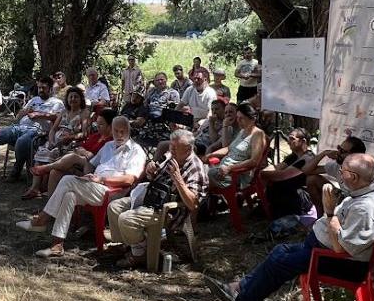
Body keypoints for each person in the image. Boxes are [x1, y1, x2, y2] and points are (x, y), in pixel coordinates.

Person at [206, 153, 374, 301]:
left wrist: (330, 212)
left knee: (280, 261)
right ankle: (239, 286)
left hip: (340, 261)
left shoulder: (366, 209)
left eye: (343, 173)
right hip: (325, 248)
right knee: (280, 250)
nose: (340, 175)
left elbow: (341, 248)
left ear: (355, 177)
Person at [15, 116, 147, 258]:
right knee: (69, 195)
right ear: (112, 131)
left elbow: (129, 179)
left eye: (123, 131)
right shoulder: (108, 146)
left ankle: (41, 220)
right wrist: (83, 161)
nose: (120, 135)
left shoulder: (136, 151)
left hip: (113, 191)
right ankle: (57, 244)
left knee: (67, 181)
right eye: (116, 131)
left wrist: (102, 179)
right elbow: (92, 164)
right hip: (95, 185)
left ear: (129, 130)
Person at [107, 129, 208, 269]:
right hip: (152, 197)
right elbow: (154, 178)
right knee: (114, 207)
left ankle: (139, 255)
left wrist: (178, 179)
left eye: (175, 148)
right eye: (171, 146)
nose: (170, 150)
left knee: (126, 219)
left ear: (188, 149)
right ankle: (132, 245)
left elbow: (193, 205)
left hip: (169, 209)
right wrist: (150, 171)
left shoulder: (195, 168)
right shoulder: (171, 156)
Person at [0, 76, 64, 181]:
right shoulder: (33, 100)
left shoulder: (57, 102)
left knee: (21, 142)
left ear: (50, 89)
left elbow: (58, 118)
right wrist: (23, 112)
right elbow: (18, 117)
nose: (41, 90)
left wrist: (40, 114)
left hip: (37, 131)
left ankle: (16, 170)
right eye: (39, 87)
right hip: (19, 127)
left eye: (44, 88)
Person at [23, 108, 117, 199]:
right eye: (97, 123)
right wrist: (82, 151)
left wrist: (82, 151)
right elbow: (80, 146)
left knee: (73, 157)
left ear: (110, 125)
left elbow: (93, 158)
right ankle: (49, 209)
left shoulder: (111, 142)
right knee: (55, 172)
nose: (97, 126)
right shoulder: (96, 136)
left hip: (90, 170)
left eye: (101, 124)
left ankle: (46, 167)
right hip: (77, 164)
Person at [204, 102, 266, 188]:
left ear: (252, 119)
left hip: (237, 175)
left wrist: (230, 168)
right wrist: (211, 154)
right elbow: (229, 148)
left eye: (242, 118)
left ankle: (211, 196)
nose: (238, 121)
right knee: (204, 169)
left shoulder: (258, 134)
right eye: (237, 118)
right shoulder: (243, 131)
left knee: (207, 174)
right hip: (224, 170)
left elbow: (254, 161)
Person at [260, 128, 316, 218]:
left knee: (277, 183)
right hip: (290, 191)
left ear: (303, 141)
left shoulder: (307, 158)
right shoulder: (294, 156)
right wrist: (264, 171)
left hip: (301, 197)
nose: (288, 142)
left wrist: (261, 174)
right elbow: (277, 167)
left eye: (292, 139)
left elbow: (281, 176)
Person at [32, 87, 90, 166]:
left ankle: (46, 175)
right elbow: (53, 129)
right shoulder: (64, 111)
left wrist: (69, 137)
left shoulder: (84, 113)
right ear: (67, 99)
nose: (73, 99)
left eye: (76, 97)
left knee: (47, 162)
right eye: (71, 97)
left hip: (70, 145)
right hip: (54, 143)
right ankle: (36, 176)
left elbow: (84, 134)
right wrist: (51, 142)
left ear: (81, 99)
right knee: (38, 162)